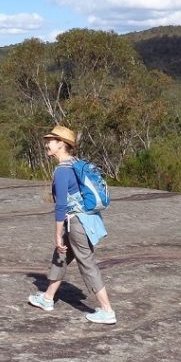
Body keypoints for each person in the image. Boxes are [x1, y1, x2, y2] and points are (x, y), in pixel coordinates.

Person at [28, 125, 116, 324]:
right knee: (61, 255)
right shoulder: (75, 164)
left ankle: (107, 310)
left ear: (61, 144)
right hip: (80, 221)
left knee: (87, 263)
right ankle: (48, 298)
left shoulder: (62, 171)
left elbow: (61, 206)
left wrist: (57, 234)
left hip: (76, 223)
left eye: (51, 141)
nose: (47, 144)